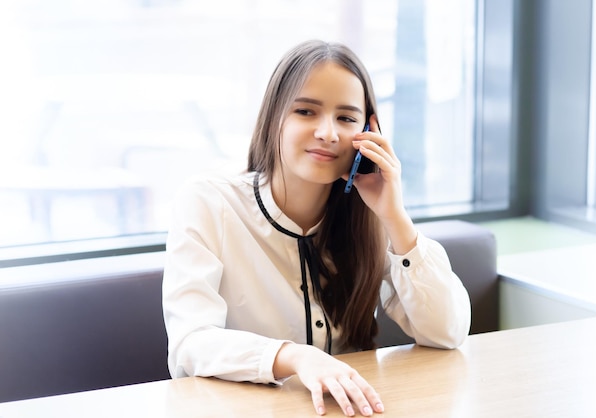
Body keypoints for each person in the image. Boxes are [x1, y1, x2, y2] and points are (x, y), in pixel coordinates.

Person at [162, 39, 471, 417]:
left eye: (346, 118)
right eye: (306, 111)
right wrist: (295, 358)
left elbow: (447, 332)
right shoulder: (209, 201)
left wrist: (395, 217)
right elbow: (190, 345)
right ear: (275, 117)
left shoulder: (369, 213)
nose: (328, 133)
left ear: (368, 131)